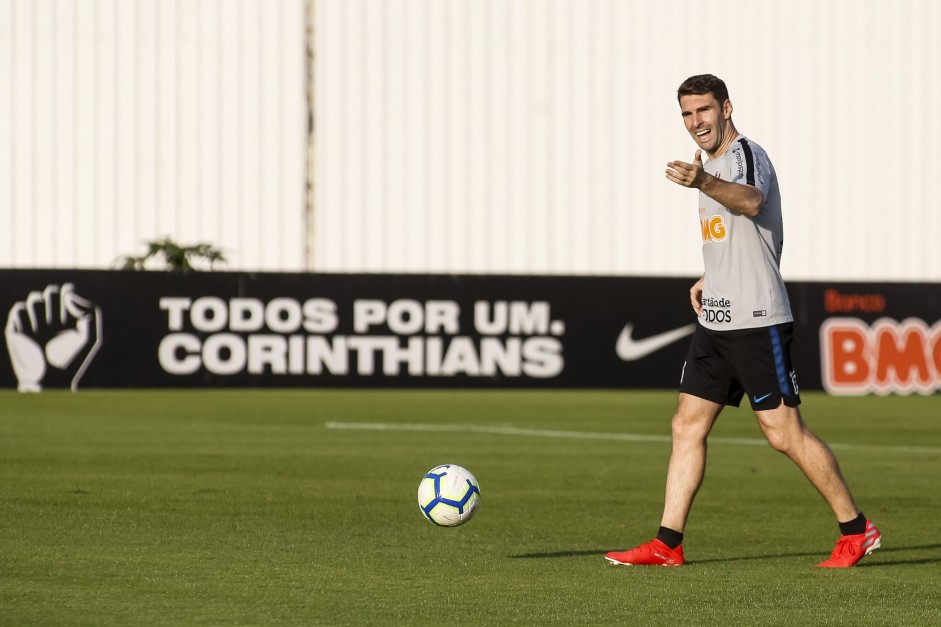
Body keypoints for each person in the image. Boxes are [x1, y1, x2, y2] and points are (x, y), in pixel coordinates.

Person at [604, 74, 880, 568]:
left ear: (726, 108)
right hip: (716, 320)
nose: (696, 122)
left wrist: (703, 181)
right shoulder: (707, 168)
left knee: (783, 434)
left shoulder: (745, 156)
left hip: (757, 319)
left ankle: (857, 529)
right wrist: (708, 276)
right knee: (686, 425)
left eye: (704, 110)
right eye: (687, 114)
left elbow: (751, 202)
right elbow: (735, 236)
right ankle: (668, 544)